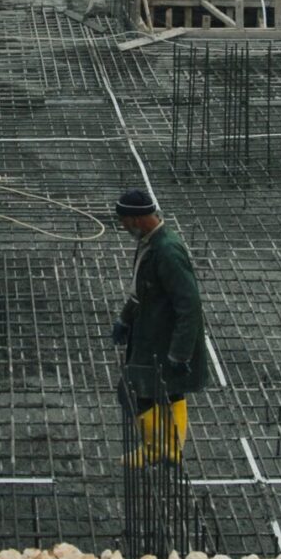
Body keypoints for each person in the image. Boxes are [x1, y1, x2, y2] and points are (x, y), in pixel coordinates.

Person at [110, 190, 207, 466]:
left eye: (124, 221)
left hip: (164, 338)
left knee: (142, 390)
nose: (123, 227)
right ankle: (164, 449)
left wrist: (180, 354)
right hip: (151, 330)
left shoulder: (167, 251)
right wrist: (126, 318)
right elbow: (141, 291)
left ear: (137, 219)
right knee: (165, 390)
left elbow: (189, 305)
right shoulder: (151, 243)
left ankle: (162, 450)